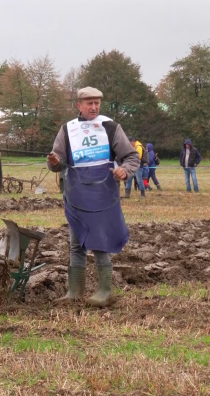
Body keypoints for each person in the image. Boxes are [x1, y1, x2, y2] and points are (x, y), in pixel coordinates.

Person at [47, 87, 139, 307]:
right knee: (76, 244)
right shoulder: (67, 129)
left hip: (102, 196)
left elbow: (131, 157)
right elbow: (57, 159)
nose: (94, 107)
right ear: (79, 105)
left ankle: (104, 292)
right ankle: (74, 292)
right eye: (89, 103)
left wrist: (124, 170)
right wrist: (54, 162)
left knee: (100, 243)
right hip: (76, 195)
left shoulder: (111, 127)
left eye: (97, 102)